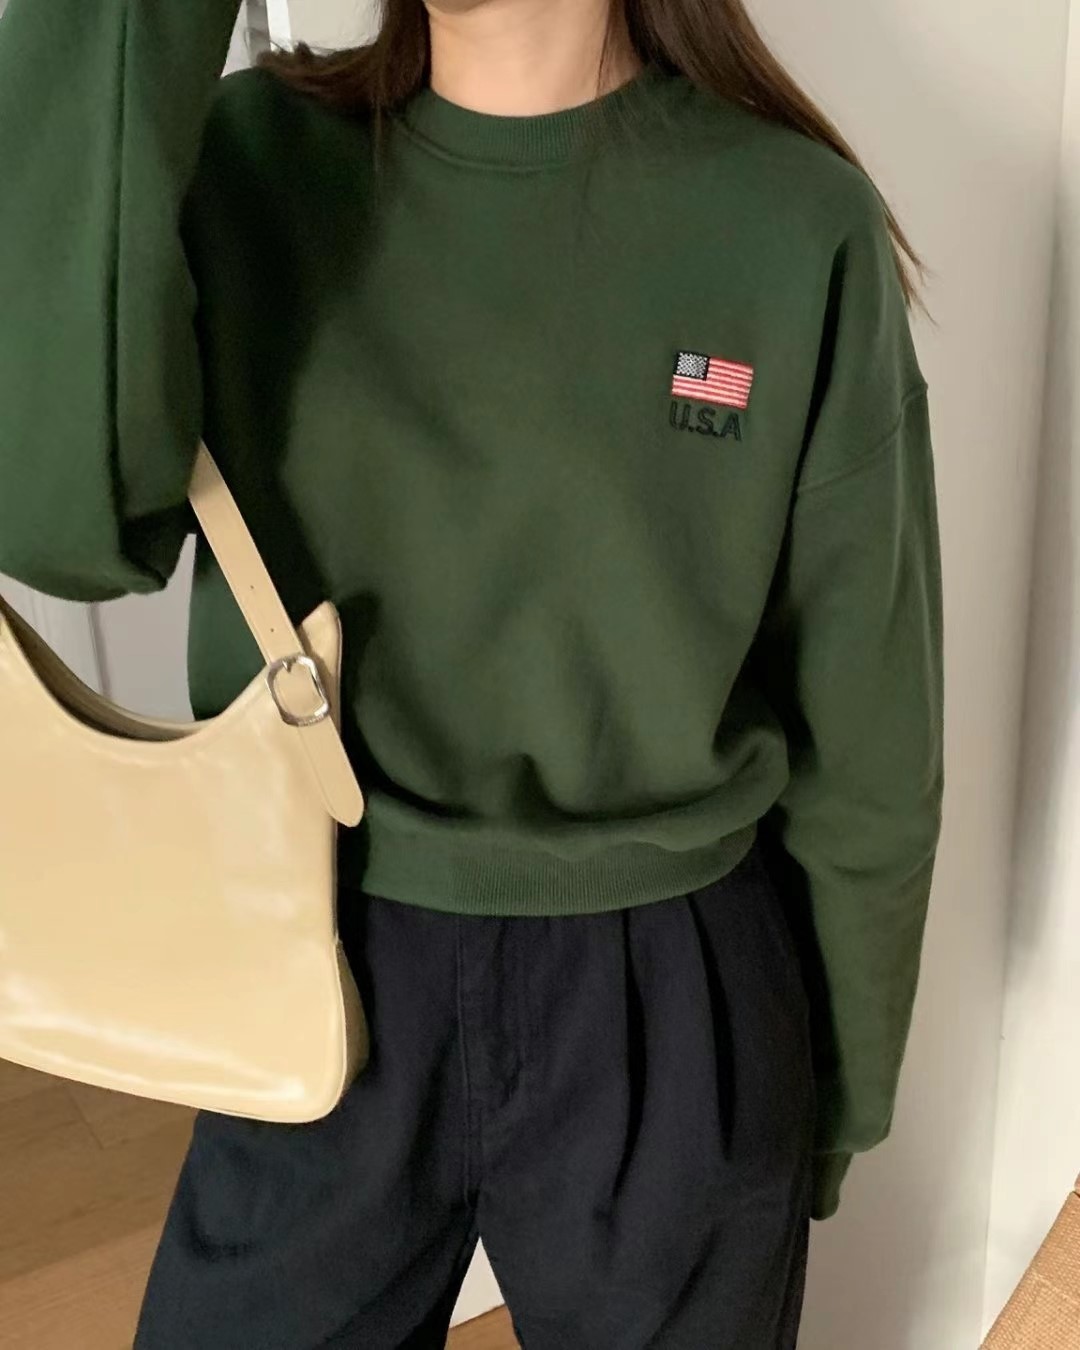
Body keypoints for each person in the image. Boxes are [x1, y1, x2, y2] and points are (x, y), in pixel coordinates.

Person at [0, 0, 945, 1346]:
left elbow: (871, 736)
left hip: (669, 986)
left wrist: (833, 1109)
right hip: (317, 937)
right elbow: (52, 519)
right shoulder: (245, 160)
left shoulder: (791, 221)